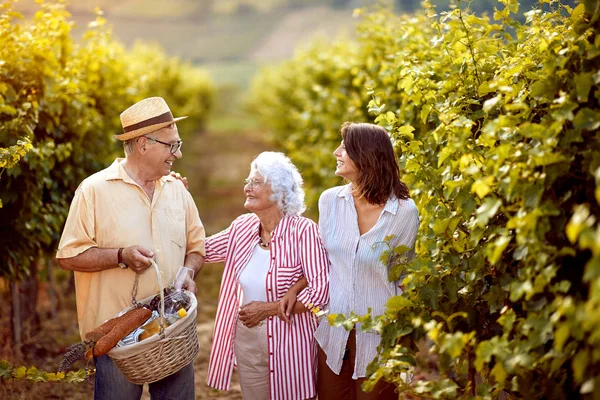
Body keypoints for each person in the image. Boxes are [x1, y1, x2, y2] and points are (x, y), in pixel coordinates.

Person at [56, 97, 205, 400]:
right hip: (117, 339)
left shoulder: (176, 189)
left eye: (178, 144)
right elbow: (68, 256)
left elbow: (196, 247)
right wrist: (120, 256)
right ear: (143, 144)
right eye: (171, 145)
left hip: (172, 330)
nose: (178, 153)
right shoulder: (94, 191)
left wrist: (189, 271)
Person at [204, 151, 329, 400]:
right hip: (246, 335)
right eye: (247, 182)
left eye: (256, 182)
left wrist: (268, 309)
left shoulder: (304, 232)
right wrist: (177, 198)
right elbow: (201, 249)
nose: (248, 188)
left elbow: (321, 291)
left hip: (290, 340)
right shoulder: (242, 227)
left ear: (279, 191)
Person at [315, 122, 420, 399]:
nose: (336, 152)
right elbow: (320, 261)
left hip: (380, 338)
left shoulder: (404, 212)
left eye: (344, 147)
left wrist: (405, 341)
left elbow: (404, 275)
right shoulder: (329, 202)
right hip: (333, 334)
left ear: (366, 156)